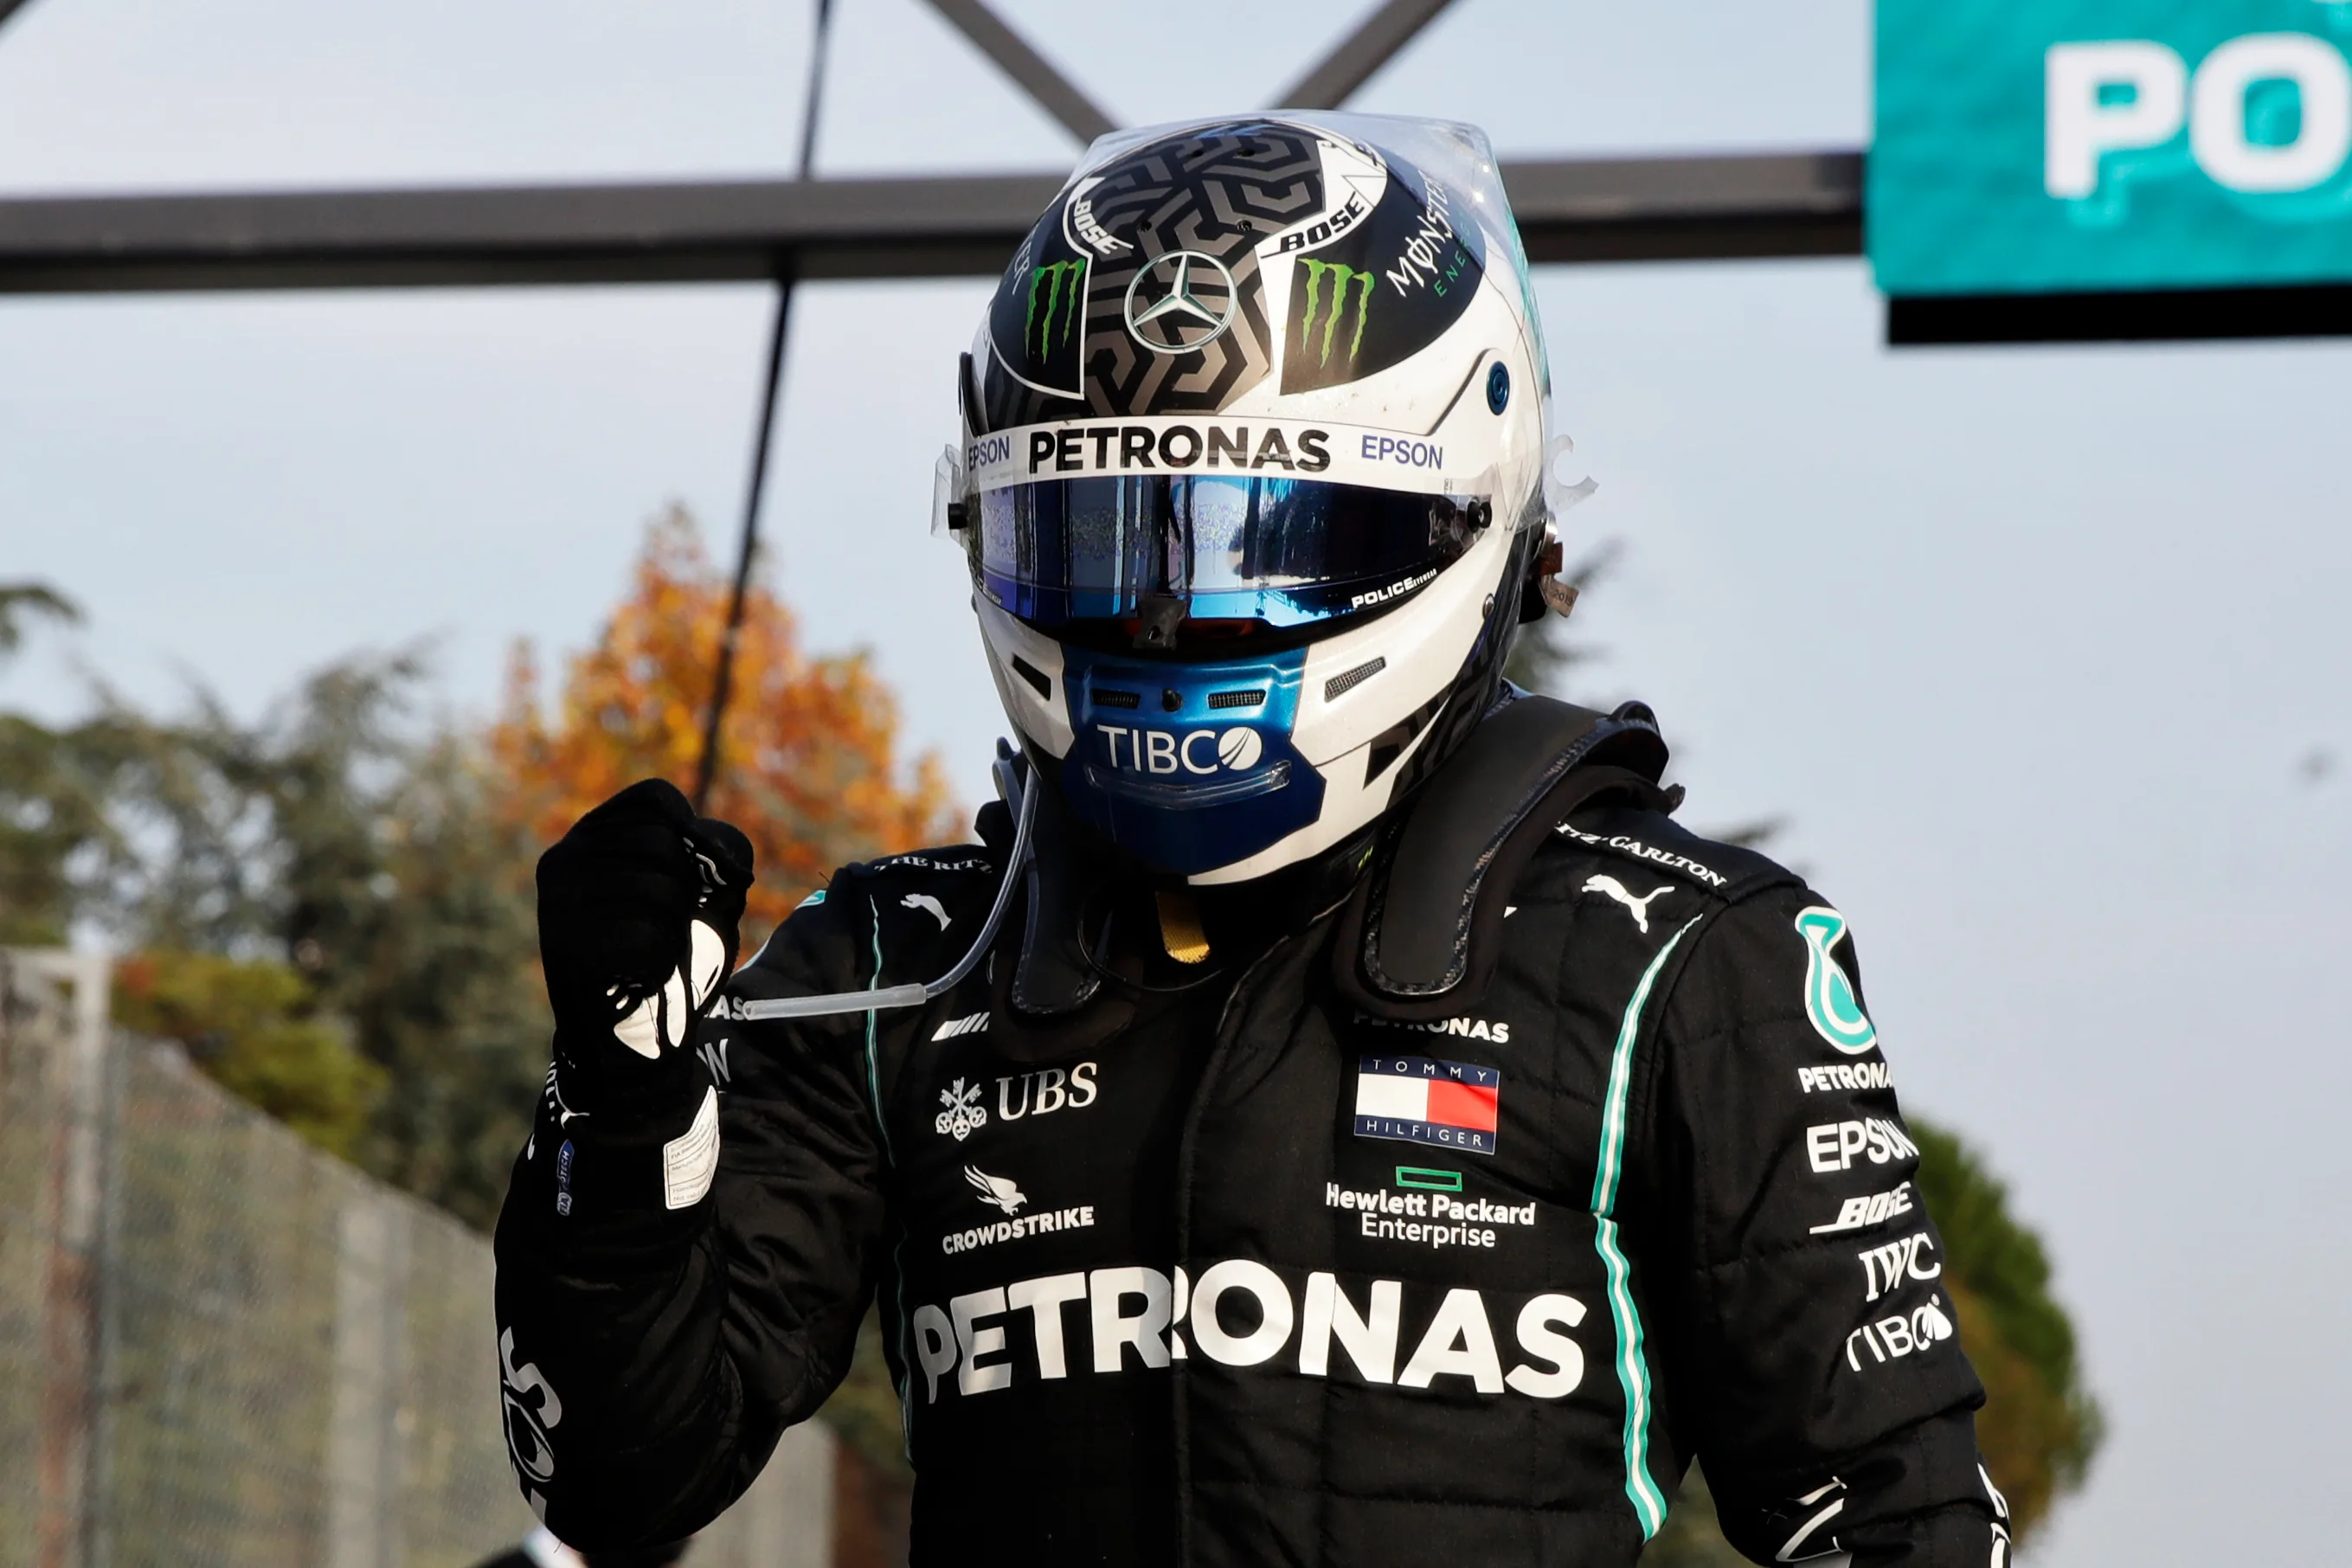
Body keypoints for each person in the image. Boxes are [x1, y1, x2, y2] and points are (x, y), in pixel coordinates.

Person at [493, 112, 2009, 1567]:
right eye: (1101, 541)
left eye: (1261, 544)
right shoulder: (898, 967)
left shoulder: (1678, 961)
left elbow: (1898, 1521)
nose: (1169, 613)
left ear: (1468, 521)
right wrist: (617, 1115)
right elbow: (616, 1480)